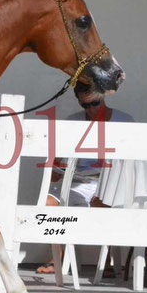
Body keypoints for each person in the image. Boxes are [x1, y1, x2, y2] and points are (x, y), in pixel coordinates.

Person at [36, 82, 134, 274]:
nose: (90, 109)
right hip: (78, 182)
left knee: (105, 205)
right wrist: (57, 171)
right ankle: (59, 257)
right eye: (85, 105)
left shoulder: (124, 121)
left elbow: (134, 162)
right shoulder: (73, 121)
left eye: (94, 103)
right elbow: (56, 161)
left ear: (104, 96)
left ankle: (107, 263)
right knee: (47, 204)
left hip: (111, 183)